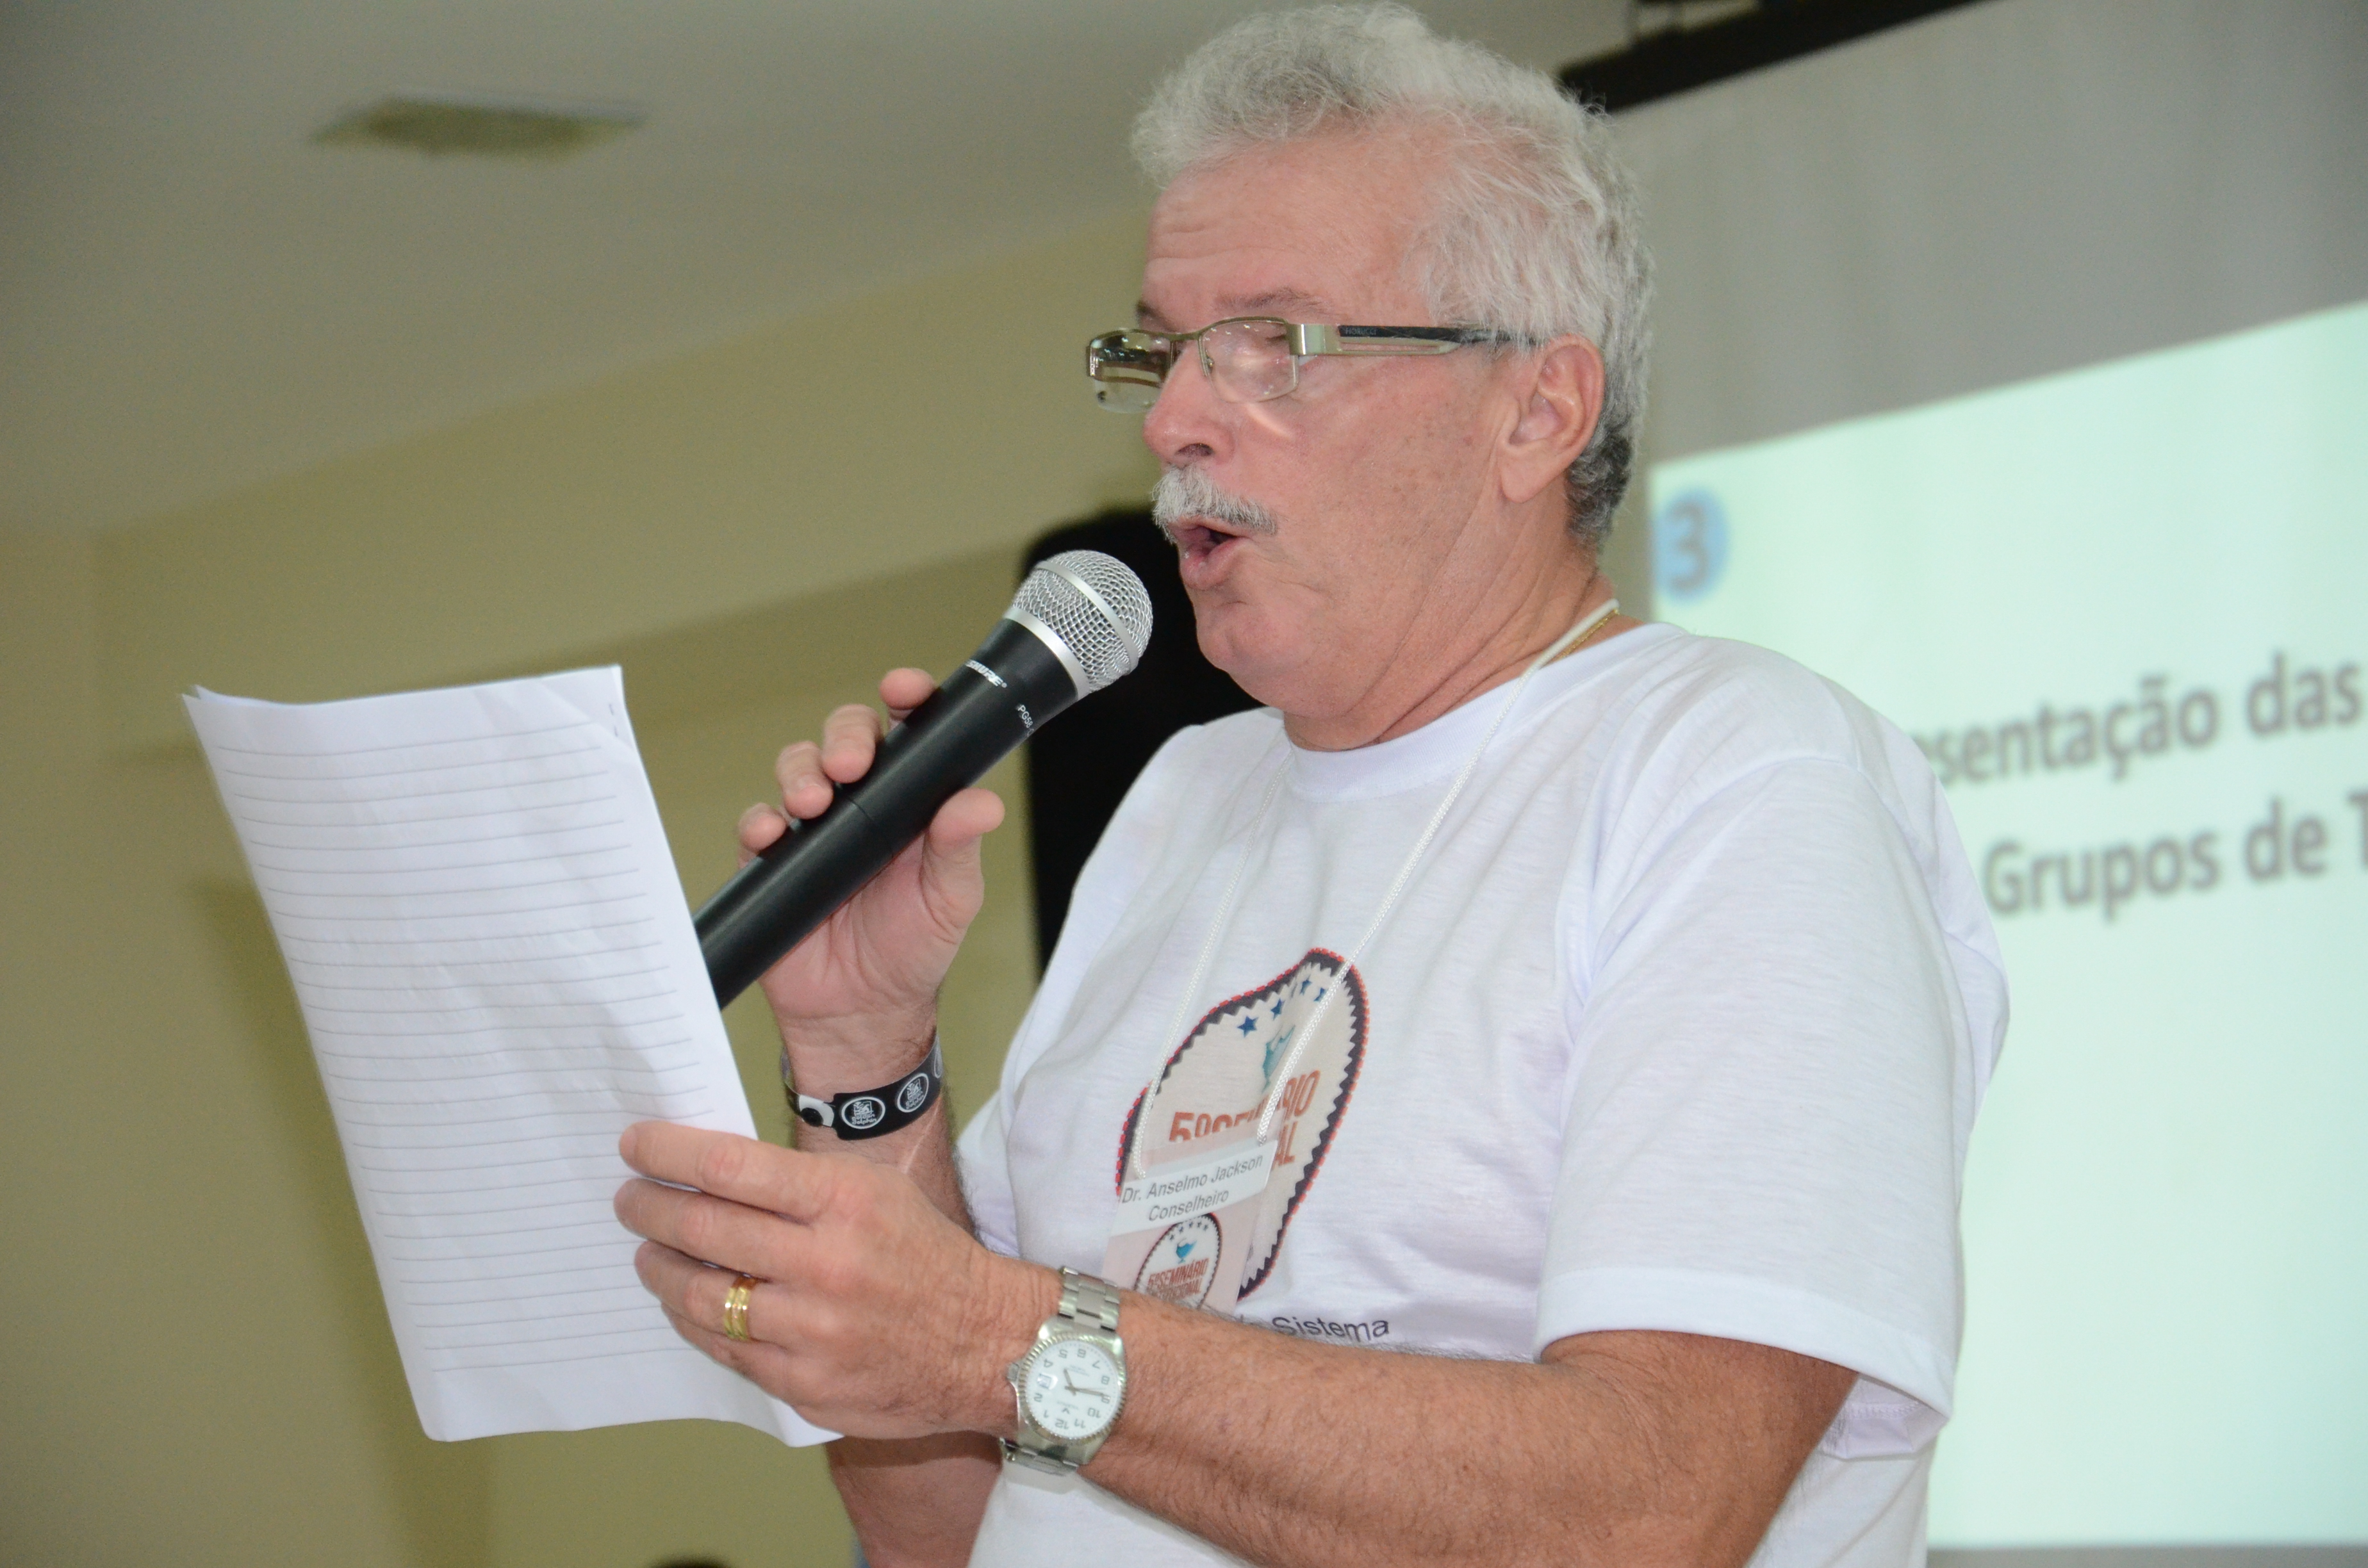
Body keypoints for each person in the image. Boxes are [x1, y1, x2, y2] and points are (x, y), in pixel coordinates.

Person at [613, 7, 2006, 1566]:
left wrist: (1002, 1340)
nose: (1172, 421)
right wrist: (868, 1060)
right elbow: (948, 1531)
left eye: (1275, 345)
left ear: (1537, 411)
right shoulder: (1182, 803)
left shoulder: (1735, 773)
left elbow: (1651, 1512)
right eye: (1161, 348)